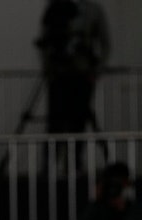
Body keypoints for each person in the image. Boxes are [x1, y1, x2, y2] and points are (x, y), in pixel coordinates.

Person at [35, 0, 110, 170]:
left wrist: (95, 71)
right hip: (59, 74)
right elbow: (45, 40)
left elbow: (105, 43)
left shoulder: (93, 10)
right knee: (55, 122)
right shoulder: (55, 7)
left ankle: (74, 163)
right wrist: (48, 69)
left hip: (82, 75)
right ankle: (49, 164)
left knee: (78, 121)